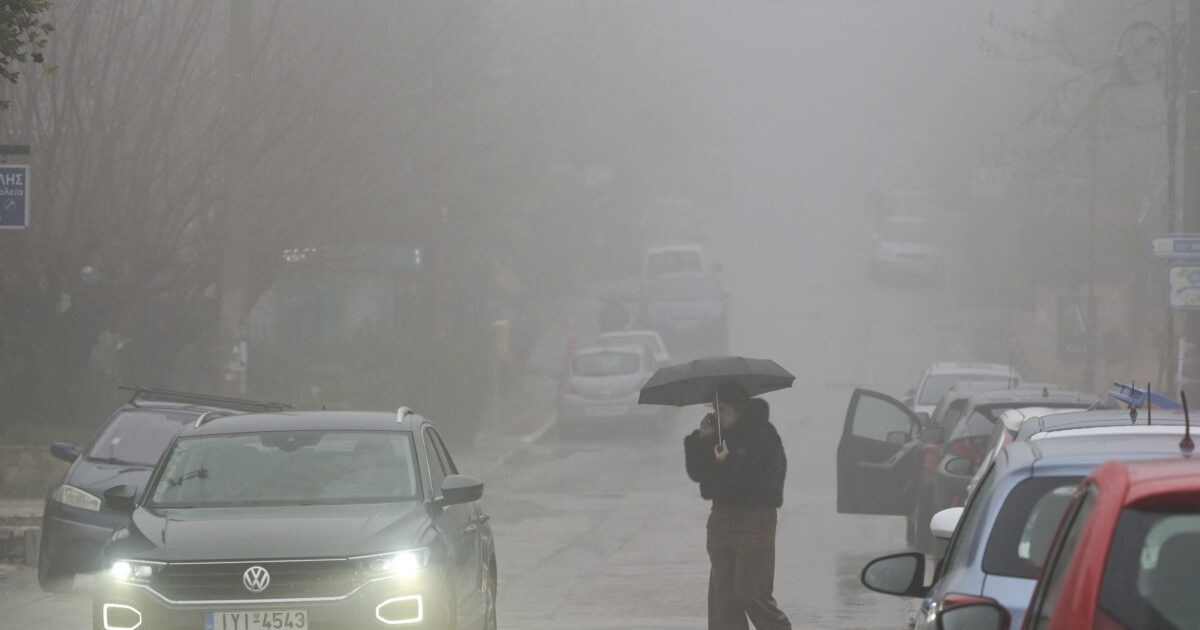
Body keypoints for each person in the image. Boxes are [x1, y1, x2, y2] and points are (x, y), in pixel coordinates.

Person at [684, 381, 791, 630]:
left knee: (750, 592)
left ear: (739, 408)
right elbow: (701, 480)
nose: (716, 415)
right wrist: (703, 440)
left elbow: (762, 485)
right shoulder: (717, 436)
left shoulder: (764, 436)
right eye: (714, 409)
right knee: (724, 602)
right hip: (721, 523)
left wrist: (728, 462)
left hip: (754, 524)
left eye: (722, 409)